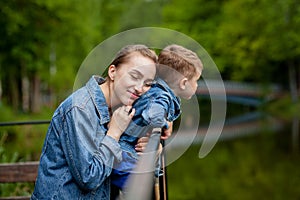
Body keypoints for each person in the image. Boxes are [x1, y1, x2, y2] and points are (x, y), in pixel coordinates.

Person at [31, 44, 160, 200]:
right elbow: (89, 179)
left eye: (147, 83)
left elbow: (131, 177)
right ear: (113, 72)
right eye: (135, 76)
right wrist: (114, 133)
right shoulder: (80, 109)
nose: (140, 88)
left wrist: (153, 150)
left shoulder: (122, 109)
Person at [110, 44, 203, 196]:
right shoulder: (162, 97)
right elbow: (153, 114)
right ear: (184, 83)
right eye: (196, 81)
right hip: (127, 153)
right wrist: (163, 124)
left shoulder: (157, 89)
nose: (197, 86)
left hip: (126, 150)